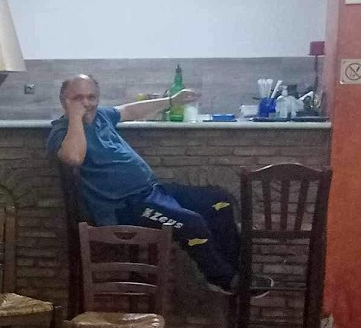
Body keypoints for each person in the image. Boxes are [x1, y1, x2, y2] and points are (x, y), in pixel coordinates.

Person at [48, 74, 268, 295]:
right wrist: (75, 118)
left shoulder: (102, 116)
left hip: (152, 192)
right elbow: (73, 157)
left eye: (91, 97)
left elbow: (130, 111)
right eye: (77, 98)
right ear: (64, 101)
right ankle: (224, 279)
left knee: (220, 202)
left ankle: (233, 274)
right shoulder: (62, 132)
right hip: (125, 207)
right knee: (192, 223)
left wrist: (172, 100)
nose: (86, 103)